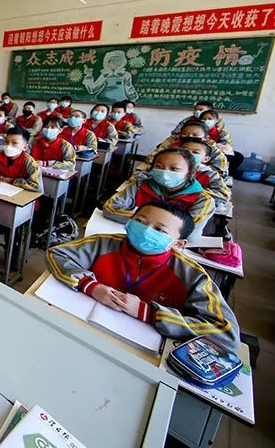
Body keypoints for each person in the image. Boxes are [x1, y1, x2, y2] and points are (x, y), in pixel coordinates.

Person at [47, 201, 239, 350]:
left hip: (141, 347)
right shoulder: (103, 243)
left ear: (179, 244)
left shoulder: (192, 275)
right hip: (82, 327)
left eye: (159, 230)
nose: (146, 230)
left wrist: (149, 313)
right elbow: (56, 253)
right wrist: (90, 286)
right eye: (140, 221)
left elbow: (226, 334)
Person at [103, 147, 215, 236]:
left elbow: (186, 231)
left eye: (174, 169)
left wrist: (141, 221)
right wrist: (159, 226)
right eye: (159, 166)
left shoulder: (203, 200)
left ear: (191, 172)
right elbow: (110, 208)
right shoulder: (141, 184)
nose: (165, 172)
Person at [149, 120, 228, 176]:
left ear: (206, 137)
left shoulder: (213, 149)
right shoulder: (173, 143)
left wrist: (194, 170)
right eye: (185, 134)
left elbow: (220, 171)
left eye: (195, 135)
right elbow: (153, 157)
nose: (189, 137)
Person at [0, 126, 43, 192]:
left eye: (14, 143)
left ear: (24, 147)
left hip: (21, 197)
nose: (9, 146)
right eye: (6, 142)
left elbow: (37, 186)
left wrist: (11, 180)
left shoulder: (30, 162)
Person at [180, 139, 231, 207]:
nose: (188, 153)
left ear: (206, 159)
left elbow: (223, 195)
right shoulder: (167, 168)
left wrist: (192, 192)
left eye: (195, 152)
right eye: (185, 150)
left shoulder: (210, 174)